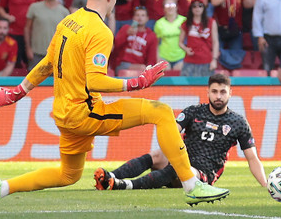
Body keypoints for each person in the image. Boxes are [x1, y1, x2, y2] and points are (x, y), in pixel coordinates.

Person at [0, 0, 230, 219]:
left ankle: (1, 188)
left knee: (68, 175)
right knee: (161, 112)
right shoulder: (100, 31)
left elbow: (48, 62)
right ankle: (191, 185)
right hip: (85, 111)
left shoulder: (68, 22)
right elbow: (94, 80)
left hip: (64, 113)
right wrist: (136, 82)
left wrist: (18, 91)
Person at [95, 73, 265, 191]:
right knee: (157, 155)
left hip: (203, 173)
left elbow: (252, 158)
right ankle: (108, 177)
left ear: (230, 93)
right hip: (182, 159)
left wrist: (265, 184)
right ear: (208, 92)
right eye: (214, 91)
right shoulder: (193, 111)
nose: (218, 96)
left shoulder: (238, 122)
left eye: (223, 92)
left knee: (181, 169)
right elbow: (171, 132)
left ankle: (123, 185)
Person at [24, 0, 70, 69]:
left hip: (56, 54)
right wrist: (28, 48)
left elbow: (67, 34)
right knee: (33, 81)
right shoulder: (34, 7)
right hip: (37, 53)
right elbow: (27, 28)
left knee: (55, 81)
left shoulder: (64, 11)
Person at [179, 0, 219, 77]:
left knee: (206, 87)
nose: (197, 8)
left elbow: (215, 42)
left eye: (200, 5)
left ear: (204, 7)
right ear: (191, 8)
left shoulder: (211, 22)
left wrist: (214, 60)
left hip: (206, 61)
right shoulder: (186, 23)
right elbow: (180, 42)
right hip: (190, 61)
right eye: (194, 6)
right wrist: (186, 49)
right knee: (186, 88)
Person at [113, 6, 158, 70]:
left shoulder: (151, 36)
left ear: (147, 18)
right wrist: (126, 34)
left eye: (143, 15)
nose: (140, 18)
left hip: (140, 66)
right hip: (122, 64)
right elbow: (115, 46)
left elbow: (152, 58)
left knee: (144, 68)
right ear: (133, 17)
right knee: (142, 68)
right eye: (137, 15)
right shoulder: (125, 28)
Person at [154, 0, 187, 71]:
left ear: (176, 7)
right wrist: (157, 58)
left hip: (181, 56)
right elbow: (156, 43)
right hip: (164, 56)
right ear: (163, 8)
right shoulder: (159, 23)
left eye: (172, 5)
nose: (170, 7)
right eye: (167, 5)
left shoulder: (184, 20)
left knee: (179, 79)